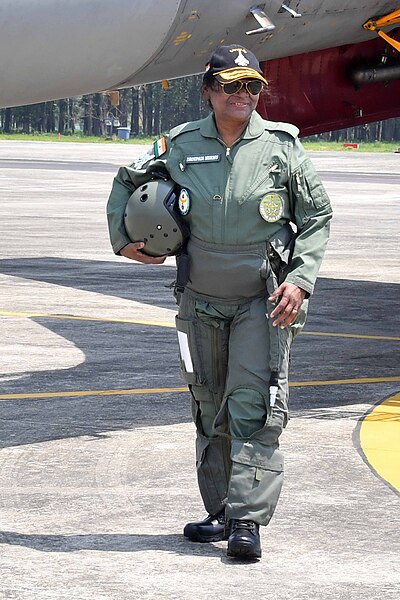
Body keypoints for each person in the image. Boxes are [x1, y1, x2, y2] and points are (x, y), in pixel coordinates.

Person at [106, 44, 332, 560]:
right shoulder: (180, 144)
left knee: (252, 406)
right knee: (208, 405)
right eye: (230, 85)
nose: (243, 94)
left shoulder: (281, 148)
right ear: (208, 90)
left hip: (263, 300)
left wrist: (301, 279)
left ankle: (247, 520)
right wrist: (122, 240)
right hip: (198, 300)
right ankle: (223, 510)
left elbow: (317, 218)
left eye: (251, 85)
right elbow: (126, 180)